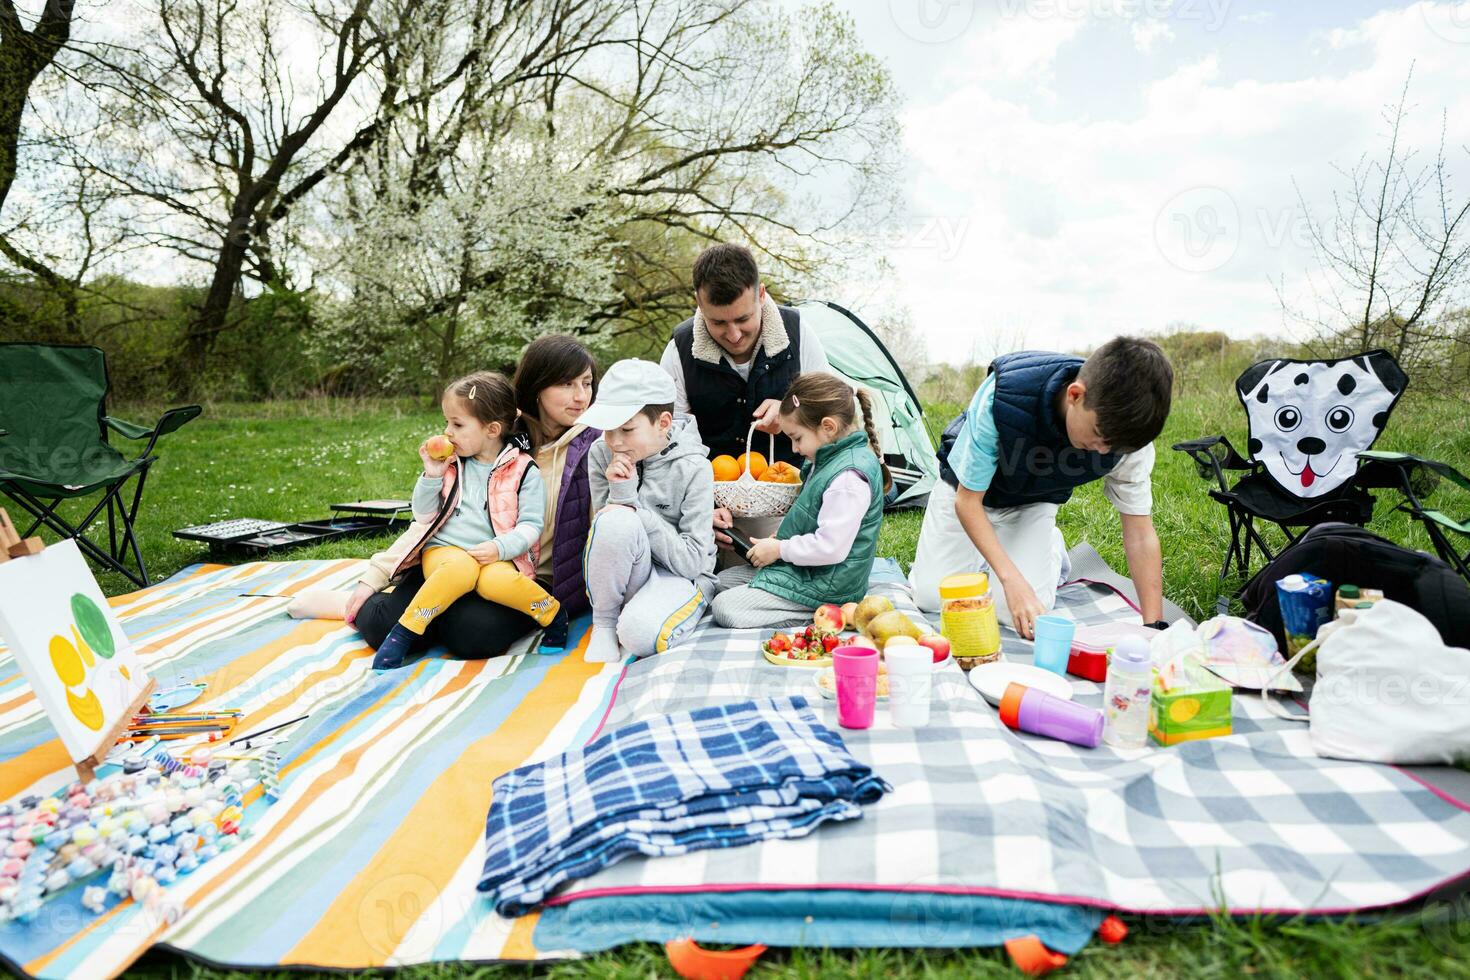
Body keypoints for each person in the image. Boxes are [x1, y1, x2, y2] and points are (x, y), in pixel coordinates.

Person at [349, 336, 599, 659]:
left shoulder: (597, 447)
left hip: (519, 575)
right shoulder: (488, 432)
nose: (581, 396)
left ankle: (431, 618)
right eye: (566, 384)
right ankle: (393, 612)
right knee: (381, 625)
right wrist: (375, 576)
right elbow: (431, 518)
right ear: (538, 386)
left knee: (471, 634)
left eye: (587, 383)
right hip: (451, 560)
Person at [907, 337, 1174, 639]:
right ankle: (997, 559)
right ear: (1075, 395)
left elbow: (1139, 532)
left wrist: (1154, 629)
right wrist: (1011, 579)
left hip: (1032, 501)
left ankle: (1049, 549)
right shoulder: (1004, 395)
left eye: (1114, 447)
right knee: (931, 598)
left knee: (1017, 615)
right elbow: (968, 502)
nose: (1102, 451)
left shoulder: (1128, 437)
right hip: (965, 492)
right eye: (1099, 435)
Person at [658, 243, 831, 561]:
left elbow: (833, 417)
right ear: (698, 303)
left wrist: (793, 413)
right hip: (709, 508)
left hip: (790, 502)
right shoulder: (677, 351)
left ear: (761, 294)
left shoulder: (799, 333)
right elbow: (668, 448)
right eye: (719, 323)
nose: (734, 334)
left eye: (743, 319)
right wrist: (700, 511)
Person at [711, 372, 889, 629]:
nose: (794, 449)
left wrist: (781, 549)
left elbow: (831, 548)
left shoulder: (848, 477)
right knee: (721, 581)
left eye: (797, 438)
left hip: (830, 586)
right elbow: (816, 519)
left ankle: (824, 614)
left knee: (725, 608)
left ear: (828, 427)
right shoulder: (828, 459)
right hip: (810, 572)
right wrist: (780, 541)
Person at [579, 359, 717, 663]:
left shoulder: (694, 468)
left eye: (627, 429)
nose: (615, 441)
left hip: (680, 576)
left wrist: (632, 504)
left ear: (663, 423)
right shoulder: (602, 454)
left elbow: (693, 563)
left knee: (639, 635)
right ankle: (602, 623)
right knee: (613, 519)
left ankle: (643, 616)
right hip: (626, 573)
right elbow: (604, 535)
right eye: (608, 429)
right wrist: (620, 501)